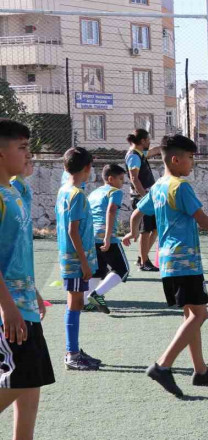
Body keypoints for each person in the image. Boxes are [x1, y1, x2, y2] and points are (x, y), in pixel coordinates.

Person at [124, 135, 208, 397]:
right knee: (200, 315)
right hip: (186, 261)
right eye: (191, 158)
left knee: (190, 314)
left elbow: (137, 212)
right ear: (176, 159)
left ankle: (200, 370)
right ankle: (163, 365)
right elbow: (203, 220)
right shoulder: (180, 187)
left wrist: (132, 233)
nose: (193, 163)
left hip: (168, 261)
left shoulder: (158, 186)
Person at [0, 119, 54, 440]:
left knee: (30, 385)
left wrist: (31, 290)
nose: (28, 154)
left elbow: (15, 253)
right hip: (9, 310)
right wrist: (8, 307)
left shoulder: (14, 191)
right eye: (21, 148)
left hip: (23, 304)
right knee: (20, 379)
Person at [56, 147, 101, 370]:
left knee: (77, 302)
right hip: (75, 260)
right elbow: (73, 231)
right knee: (74, 303)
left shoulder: (64, 190)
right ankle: (71, 353)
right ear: (87, 168)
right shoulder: (77, 194)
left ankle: (73, 349)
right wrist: (84, 262)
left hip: (70, 258)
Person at [84, 164, 130, 314]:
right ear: (111, 179)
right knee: (122, 270)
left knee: (98, 270)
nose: (123, 182)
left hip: (91, 236)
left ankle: (86, 302)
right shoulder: (115, 191)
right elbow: (111, 211)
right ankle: (96, 294)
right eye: (121, 179)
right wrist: (108, 237)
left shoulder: (94, 193)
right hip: (105, 236)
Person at [125, 129, 161, 272]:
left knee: (155, 229)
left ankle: (142, 257)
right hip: (142, 198)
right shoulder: (134, 156)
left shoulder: (140, 154)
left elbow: (154, 151)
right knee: (145, 231)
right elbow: (134, 178)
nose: (149, 142)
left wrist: (168, 147)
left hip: (148, 197)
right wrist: (144, 196)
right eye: (147, 139)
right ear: (142, 141)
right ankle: (144, 262)